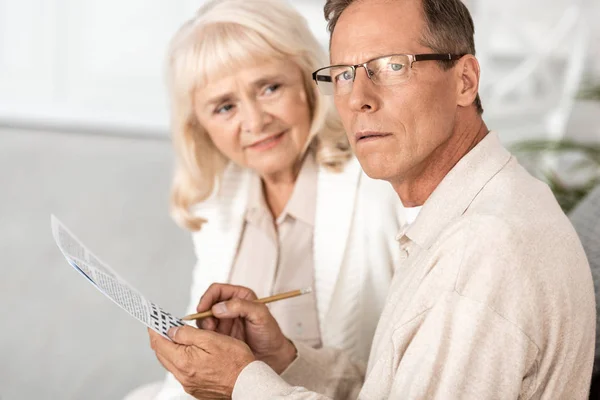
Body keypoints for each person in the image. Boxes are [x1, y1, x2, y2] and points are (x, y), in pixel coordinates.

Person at [148, 0, 596, 398]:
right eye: (344, 75)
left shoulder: (480, 256)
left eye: (393, 66)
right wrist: (286, 358)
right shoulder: (460, 212)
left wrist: (242, 383)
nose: (359, 98)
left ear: (465, 80)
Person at [129, 0, 404, 398]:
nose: (255, 123)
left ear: (309, 83)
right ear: (200, 127)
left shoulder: (377, 190)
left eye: (270, 88)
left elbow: (397, 380)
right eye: (225, 107)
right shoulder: (219, 199)